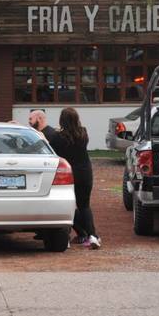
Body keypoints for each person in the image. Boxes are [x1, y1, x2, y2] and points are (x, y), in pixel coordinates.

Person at [48, 107, 101, 250]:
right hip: (85, 172)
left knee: (68, 205)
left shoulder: (57, 137)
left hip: (68, 174)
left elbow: (52, 149)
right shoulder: (83, 133)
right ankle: (92, 236)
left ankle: (73, 235)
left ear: (61, 120)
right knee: (84, 205)